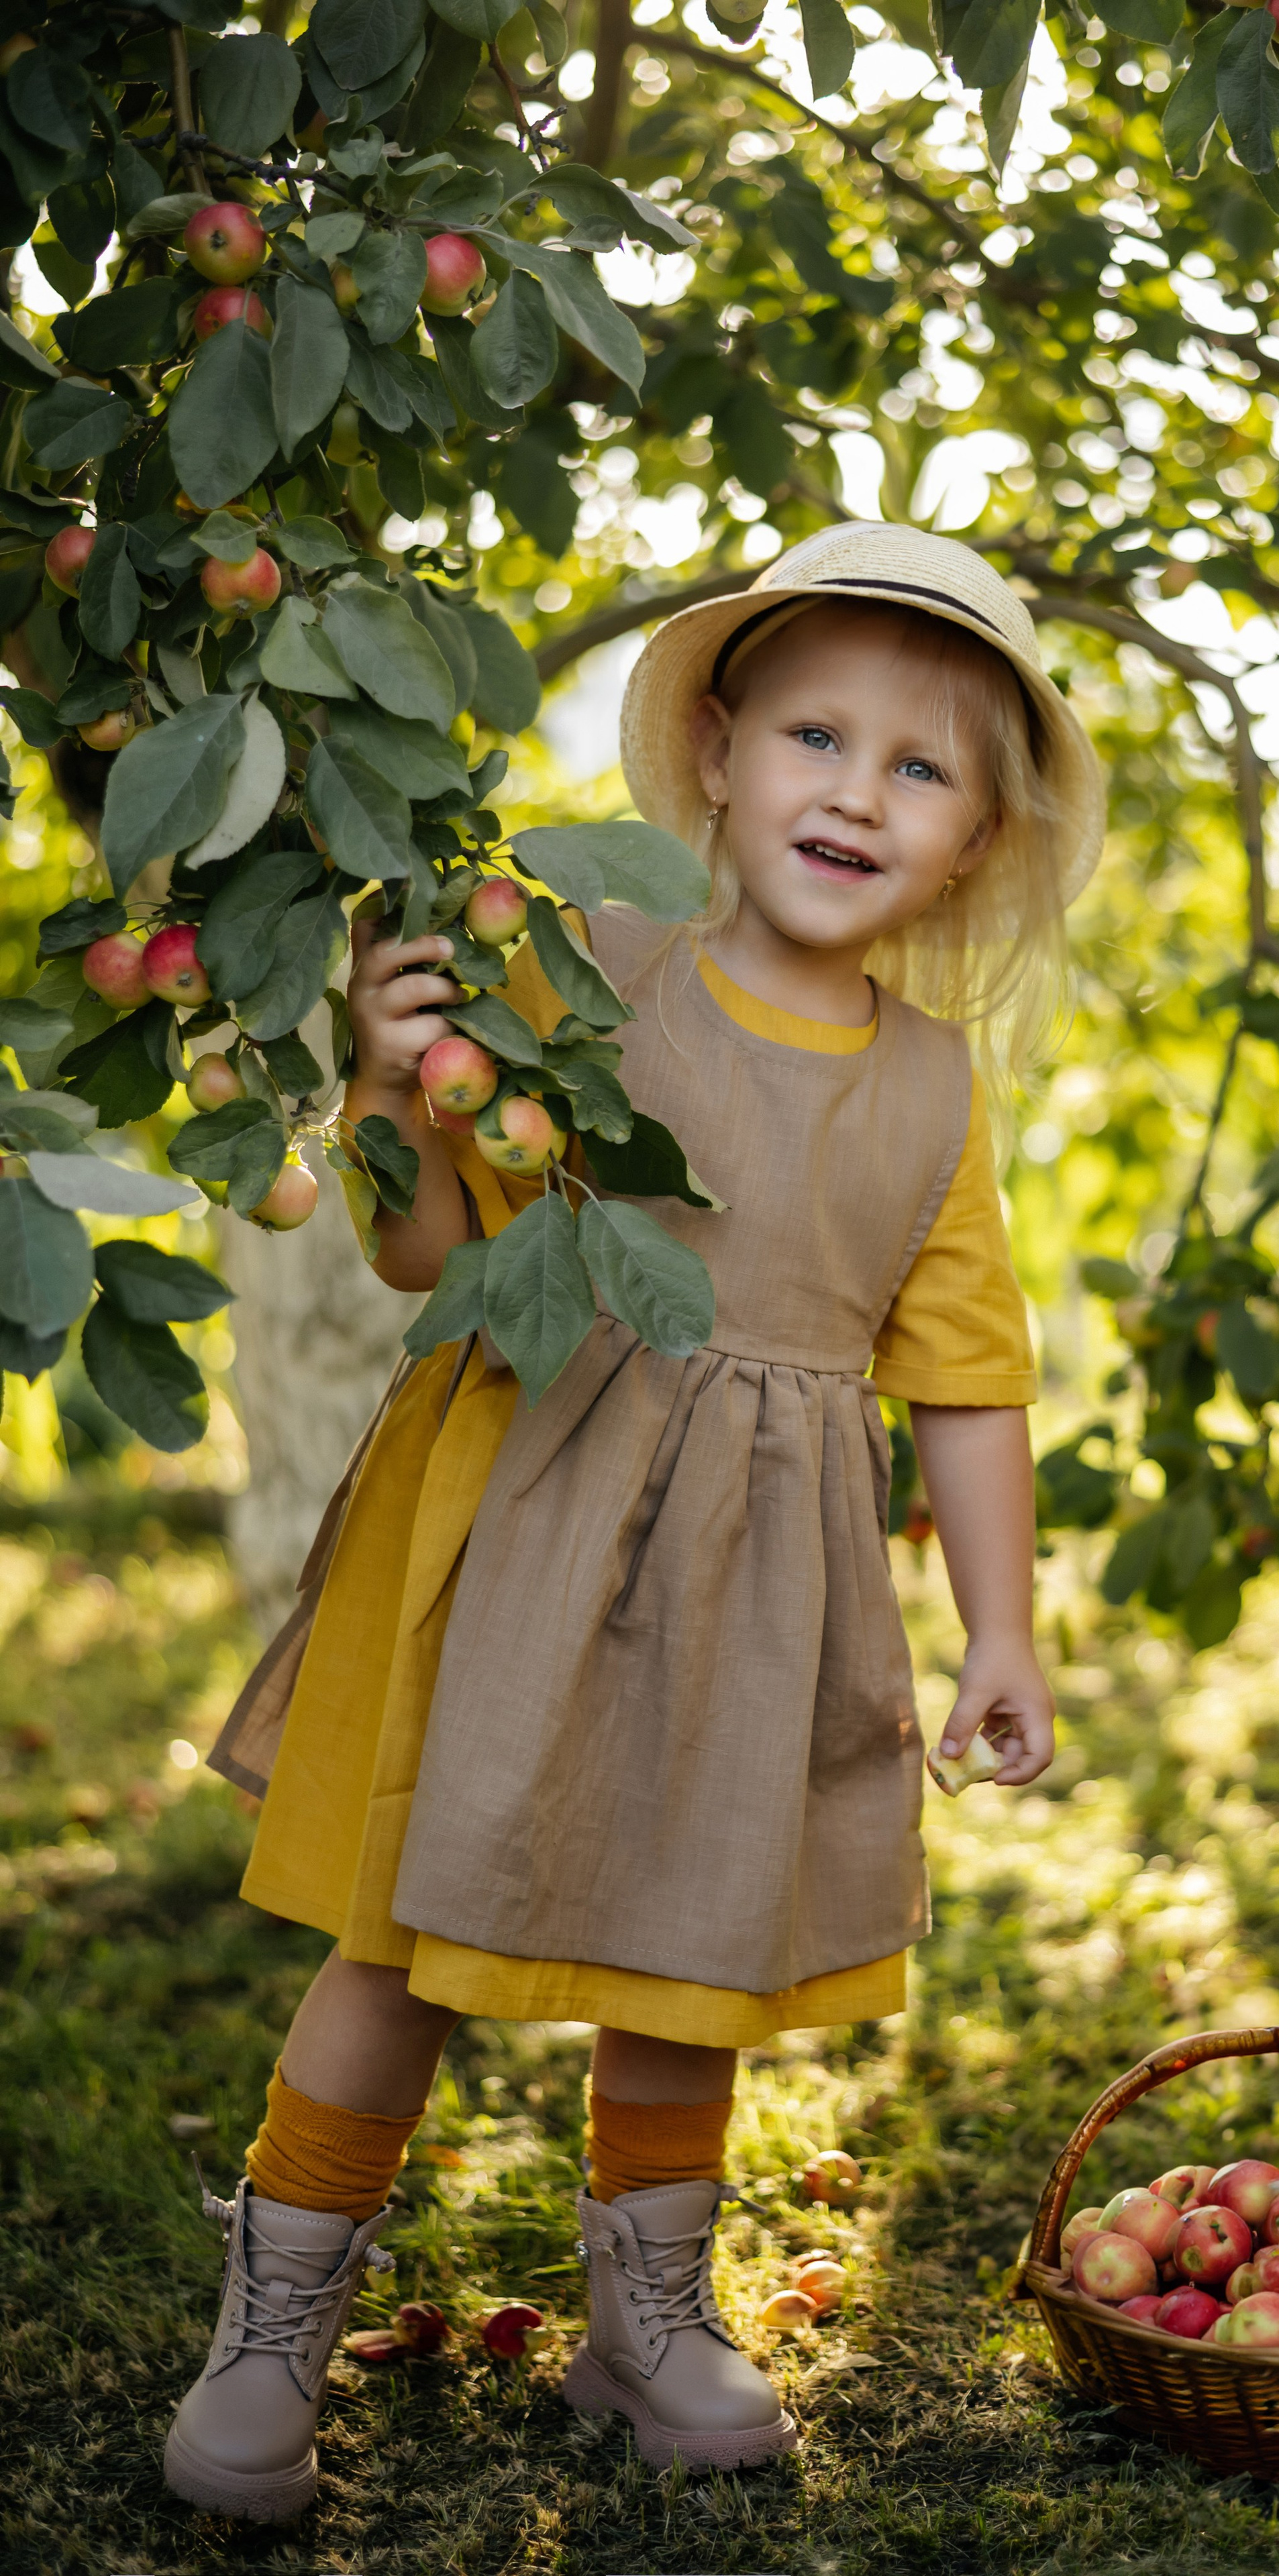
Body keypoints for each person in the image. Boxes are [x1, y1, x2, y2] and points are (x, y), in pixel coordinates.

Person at [164, 521, 1105, 2520]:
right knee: (405, 1940)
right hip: (524, 1526)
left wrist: (1003, 1632)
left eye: (921, 769)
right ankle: (274, 2327)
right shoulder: (586, 977)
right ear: (720, 756)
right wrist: (385, 1075)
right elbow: (434, 1256)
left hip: (760, 1588)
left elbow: (969, 1378)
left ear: (974, 845)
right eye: (820, 738)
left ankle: (644, 2322)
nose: (858, 792)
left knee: (695, 1956)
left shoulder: (933, 1093)